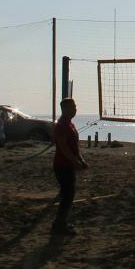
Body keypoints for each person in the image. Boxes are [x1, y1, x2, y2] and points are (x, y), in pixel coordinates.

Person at [51, 98, 88, 235]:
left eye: (75, 106)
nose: (75, 109)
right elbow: (63, 147)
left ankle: (60, 223)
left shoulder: (70, 124)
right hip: (62, 165)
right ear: (66, 109)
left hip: (68, 165)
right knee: (67, 195)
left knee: (69, 195)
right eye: (73, 107)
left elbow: (74, 147)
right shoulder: (62, 125)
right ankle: (59, 225)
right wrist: (75, 162)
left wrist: (81, 160)